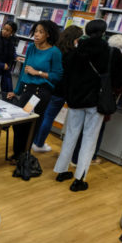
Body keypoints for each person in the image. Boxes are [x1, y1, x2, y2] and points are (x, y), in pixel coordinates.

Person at [53, 20, 122, 192]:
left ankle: (62, 170)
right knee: (89, 140)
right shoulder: (111, 53)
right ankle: (79, 179)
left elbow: (66, 77)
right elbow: (120, 79)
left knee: (70, 135)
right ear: (103, 32)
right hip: (97, 102)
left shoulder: (75, 52)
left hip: (75, 100)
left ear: (86, 31)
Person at [71, 33, 122, 164]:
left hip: (84, 96)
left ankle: (74, 157)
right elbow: (119, 83)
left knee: (81, 129)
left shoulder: (96, 53)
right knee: (95, 131)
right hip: (102, 100)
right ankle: (86, 158)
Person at [11, 20, 64, 161]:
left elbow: (57, 76)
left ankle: (24, 155)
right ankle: (17, 153)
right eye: (36, 31)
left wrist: (38, 72)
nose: (37, 35)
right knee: (18, 123)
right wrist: (17, 91)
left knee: (31, 125)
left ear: (48, 35)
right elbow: (24, 70)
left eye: (41, 32)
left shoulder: (54, 52)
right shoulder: (31, 48)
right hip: (27, 90)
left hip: (41, 93)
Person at [32, 25, 83, 153]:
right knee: (49, 117)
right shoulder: (74, 54)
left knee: (38, 114)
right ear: (75, 39)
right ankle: (38, 143)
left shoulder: (53, 48)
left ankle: (32, 139)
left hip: (45, 84)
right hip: (60, 90)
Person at [0, 20, 18, 92]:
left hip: (0, 70)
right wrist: (2, 65)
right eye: (4, 28)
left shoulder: (12, 39)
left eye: (8, 30)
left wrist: (15, 56)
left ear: (12, 33)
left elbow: (12, 50)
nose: (4, 31)